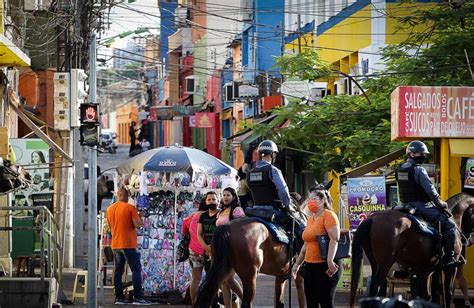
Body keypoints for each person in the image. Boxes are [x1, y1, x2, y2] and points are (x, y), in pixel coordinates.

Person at [396, 140, 464, 268]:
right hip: (421, 205)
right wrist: (440, 204)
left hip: (403, 205)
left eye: (423, 154)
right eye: (420, 154)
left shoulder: (400, 168)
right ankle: (449, 258)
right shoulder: (419, 170)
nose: (423, 156)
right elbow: (430, 191)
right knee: (450, 224)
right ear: (411, 154)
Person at [291, 189, 342, 308]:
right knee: (311, 303)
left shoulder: (328, 215)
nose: (310, 202)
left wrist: (330, 261)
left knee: (326, 302)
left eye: (314, 199)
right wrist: (297, 264)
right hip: (310, 266)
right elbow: (306, 244)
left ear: (323, 201)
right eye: (309, 199)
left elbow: (334, 239)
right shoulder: (310, 219)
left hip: (325, 266)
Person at [247, 140, 305, 232]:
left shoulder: (250, 172)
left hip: (255, 210)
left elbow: (251, 189)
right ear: (272, 155)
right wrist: (288, 206)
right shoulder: (273, 170)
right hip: (272, 210)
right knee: (302, 227)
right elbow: (283, 190)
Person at [106, 187, 151, 305]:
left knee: (118, 271)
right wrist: (140, 219)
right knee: (136, 270)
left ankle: (119, 298)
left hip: (116, 244)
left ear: (118, 196)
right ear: (126, 196)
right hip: (129, 244)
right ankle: (138, 297)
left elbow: (110, 227)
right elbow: (137, 225)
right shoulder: (130, 208)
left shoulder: (109, 209)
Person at [216, 187, 245, 308]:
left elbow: (242, 228)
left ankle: (246, 301)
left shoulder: (237, 210)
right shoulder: (220, 211)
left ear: (233, 197)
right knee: (223, 281)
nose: (225, 197)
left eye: (228, 195)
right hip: (219, 249)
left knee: (229, 279)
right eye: (224, 195)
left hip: (232, 249)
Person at [182, 199, 208, 305]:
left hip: (193, 250)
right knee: (211, 277)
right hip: (207, 250)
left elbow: (184, 228)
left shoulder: (193, 216)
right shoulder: (211, 216)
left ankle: (194, 303)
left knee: (195, 278)